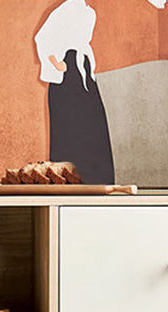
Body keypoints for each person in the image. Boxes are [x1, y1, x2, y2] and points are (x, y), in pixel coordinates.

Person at [34, 0, 115, 184]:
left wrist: (87, 68)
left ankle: (99, 178)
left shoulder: (89, 13)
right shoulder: (66, 8)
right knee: (69, 122)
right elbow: (42, 38)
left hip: (84, 70)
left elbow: (84, 43)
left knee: (93, 121)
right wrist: (56, 63)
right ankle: (67, 177)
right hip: (67, 70)